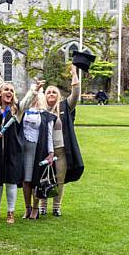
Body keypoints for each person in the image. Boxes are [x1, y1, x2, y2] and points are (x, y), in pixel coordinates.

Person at [39, 63, 84, 216]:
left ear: (58, 95)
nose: (51, 94)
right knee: (43, 177)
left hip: (61, 151)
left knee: (59, 179)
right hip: (44, 150)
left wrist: (74, 74)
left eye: (54, 92)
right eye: (48, 92)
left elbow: (76, 93)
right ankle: (42, 206)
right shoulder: (40, 109)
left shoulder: (65, 106)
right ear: (44, 95)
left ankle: (56, 207)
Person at [0, 70, 23, 225]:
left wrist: (34, 90)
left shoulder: (17, 111)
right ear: (0, 94)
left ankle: (11, 211)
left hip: (12, 151)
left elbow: (28, 100)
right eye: (5, 90)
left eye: (11, 90)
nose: (8, 92)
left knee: (11, 181)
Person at [17, 83, 54, 219]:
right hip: (24, 148)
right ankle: (27, 207)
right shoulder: (24, 111)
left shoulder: (46, 115)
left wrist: (50, 153)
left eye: (38, 97)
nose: (35, 99)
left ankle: (35, 208)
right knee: (25, 180)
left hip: (39, 149)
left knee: (36, 179)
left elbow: (49, 135)